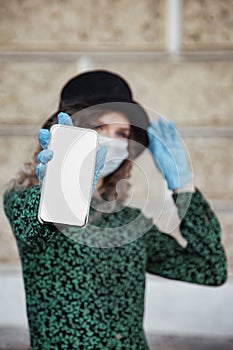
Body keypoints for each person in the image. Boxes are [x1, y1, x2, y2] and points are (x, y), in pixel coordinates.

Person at [3, 70, 228, 350]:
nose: (111, 141)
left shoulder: (128, 220)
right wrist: (62, 185)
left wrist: (184, 188)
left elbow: (210, 269)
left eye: (122, 133)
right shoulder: (24, 199)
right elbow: (33, 226)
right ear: (72, 131)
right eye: (99, 128)